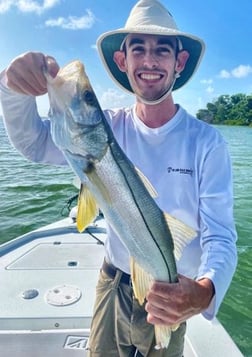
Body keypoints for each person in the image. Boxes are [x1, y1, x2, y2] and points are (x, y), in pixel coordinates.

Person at [0, 0, 237, 356]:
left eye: (162, 50)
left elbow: (220, 236)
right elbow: (34, 143)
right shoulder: (106, 126)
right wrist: (12, 88)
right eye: (138, 48)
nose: (149, 60)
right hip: (112, 283)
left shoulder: (207, 142)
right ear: (123, 61)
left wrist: (204, 291)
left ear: (179, 62)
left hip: (174, 292)